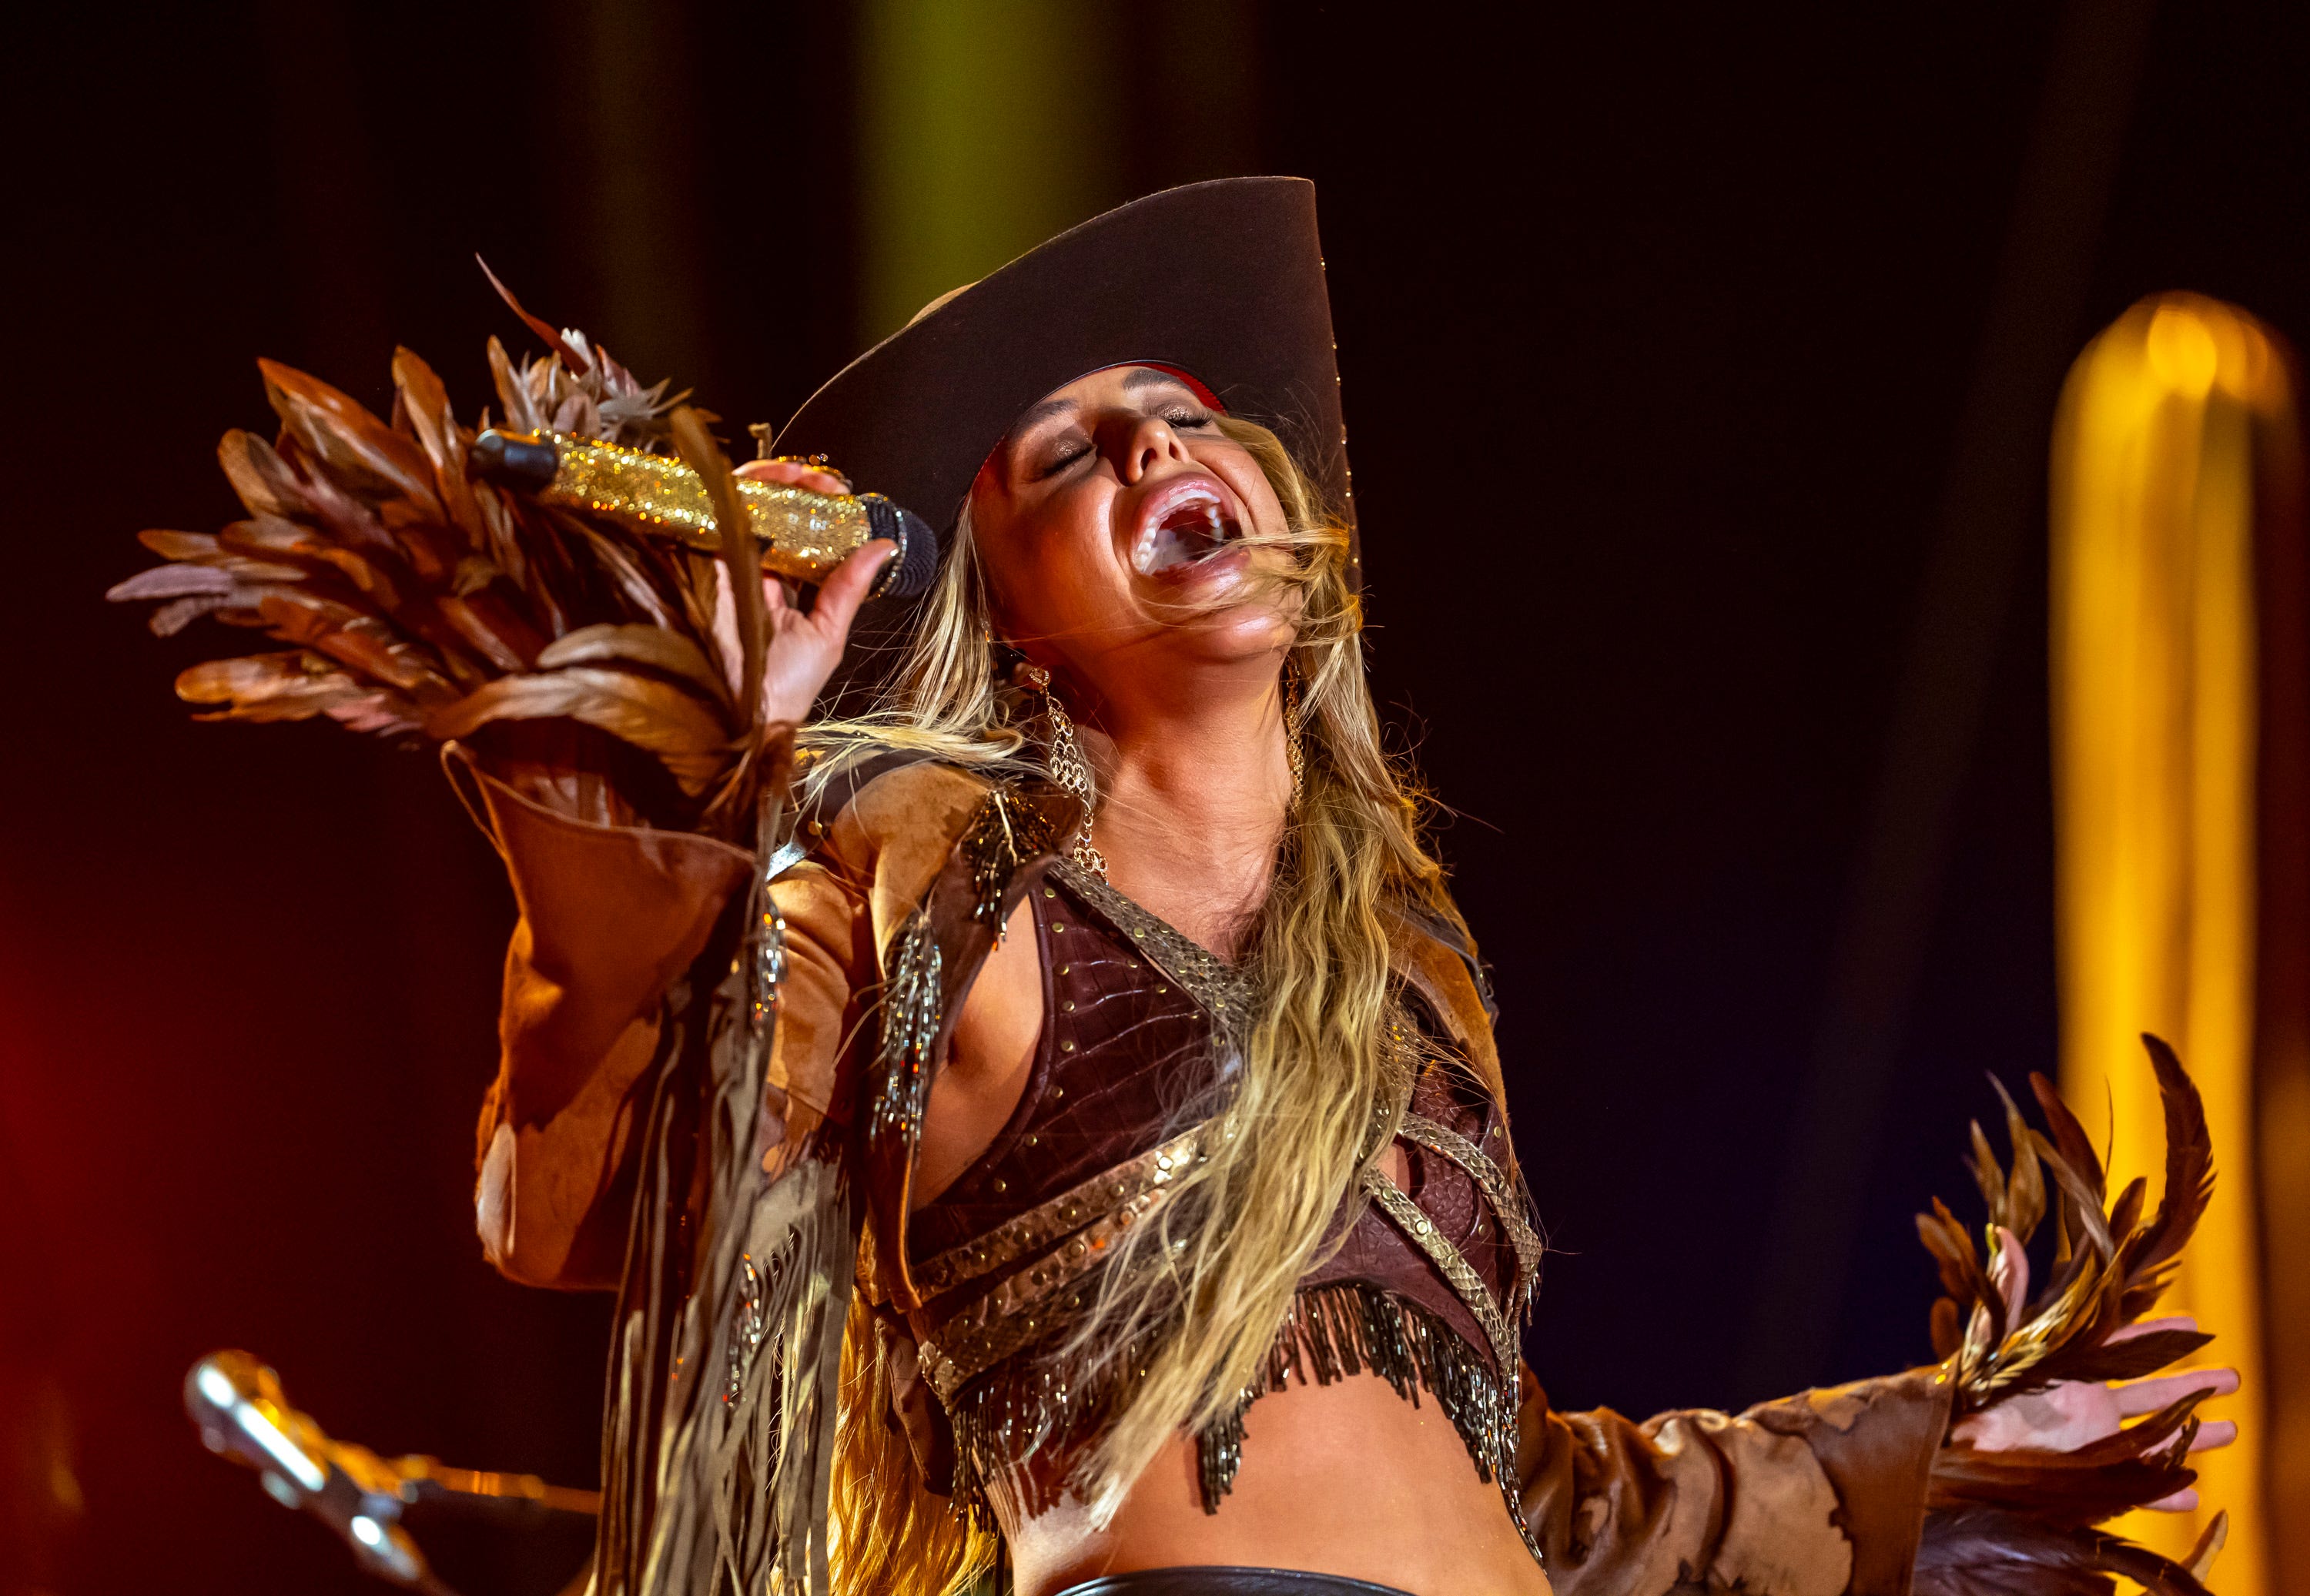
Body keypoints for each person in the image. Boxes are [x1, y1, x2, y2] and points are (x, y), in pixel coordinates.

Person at [122, 177, 2236, 1596]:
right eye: (1067, 457)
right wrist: (694, 756)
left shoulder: (1406, 980)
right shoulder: (932, 868)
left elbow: (1514, 1488)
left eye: (1175, 416)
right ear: (1009, 615)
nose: (1148, 453)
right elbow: (601, 1178)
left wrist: (1929, 1456)